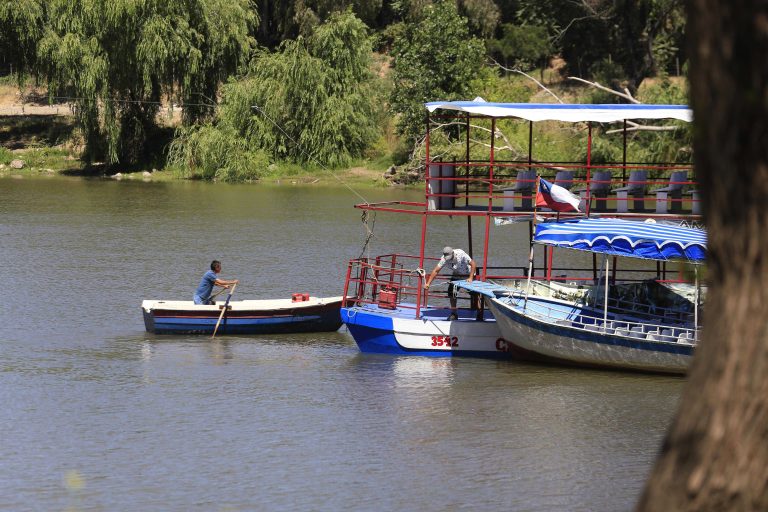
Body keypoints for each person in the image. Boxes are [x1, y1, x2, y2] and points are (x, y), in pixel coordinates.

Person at [424, 247, 477, 321]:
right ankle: (454, 313)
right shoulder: (444, 259)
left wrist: (471, 277)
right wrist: (428, 283)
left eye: (449, 257)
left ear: (453, 253)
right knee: (451, 292)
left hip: (468, 274)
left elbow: (473, 264)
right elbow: (436, 271)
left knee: (475, 293)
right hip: (457, 275)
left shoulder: (461, 254)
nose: (448, 259)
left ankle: (479, 312)